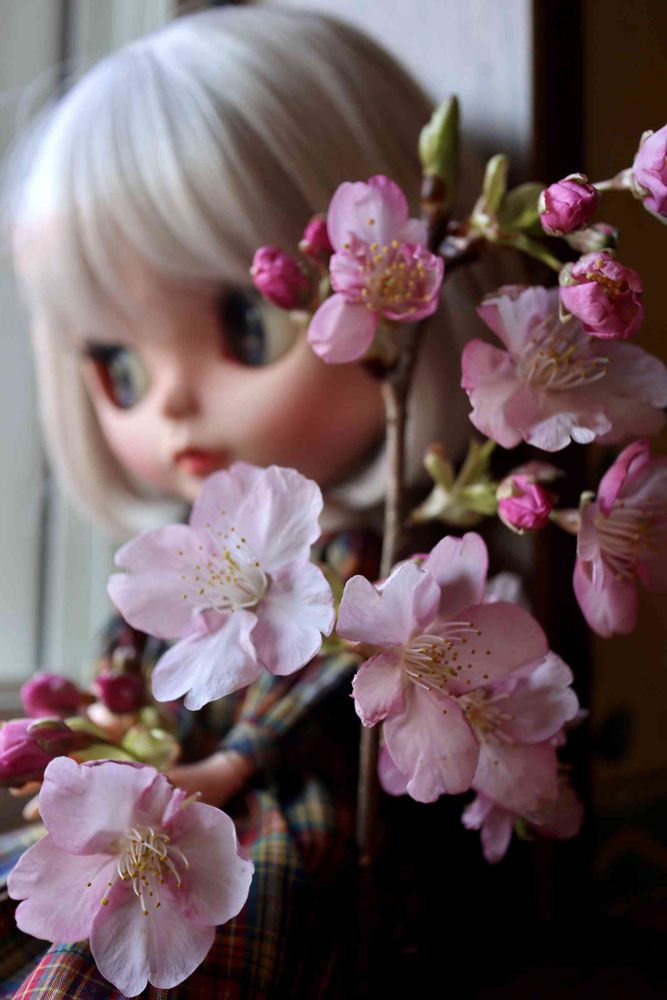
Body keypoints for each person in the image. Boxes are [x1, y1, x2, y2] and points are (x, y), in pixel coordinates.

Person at [0, 6, 519, 996]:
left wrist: (221, 769)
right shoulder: (181, 562)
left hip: (280, 821)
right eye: (118, 367)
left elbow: (311, 693)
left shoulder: (373, 573)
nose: (170, 402)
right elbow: (134, 682)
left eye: (245, 325)